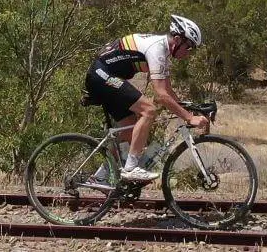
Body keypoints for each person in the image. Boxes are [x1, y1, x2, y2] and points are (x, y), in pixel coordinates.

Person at [84, 15, 208, 182]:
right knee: (149, 110)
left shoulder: (162, 51)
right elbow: (161, 95)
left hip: (106, 76)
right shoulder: (157, 49)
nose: (189, 53)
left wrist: (188, 110)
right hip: (101, 75)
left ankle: (99, 177)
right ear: (177, 40)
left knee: (129, 131)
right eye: (189, 47)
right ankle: (131, 168)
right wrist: (189, 117)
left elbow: (168, 90)